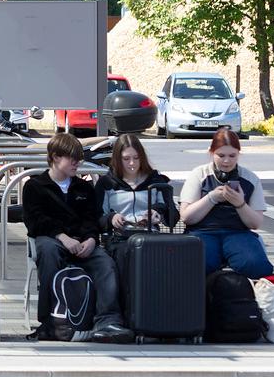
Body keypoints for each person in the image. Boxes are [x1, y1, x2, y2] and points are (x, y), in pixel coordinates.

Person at [21, 132, 132, 342]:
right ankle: (50, 320)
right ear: (55, 157)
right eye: (72, 158)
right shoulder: (34, 186)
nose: (77, 163)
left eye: (79, 158)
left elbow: (91, 218)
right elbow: (36, 221)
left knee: (105, 263)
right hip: (51, 239)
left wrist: (91, 239)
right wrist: (63, 237)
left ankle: (108, 320)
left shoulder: (84, 187)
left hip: (82, 241)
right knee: (49, 252)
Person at [178, 127, 274, 278]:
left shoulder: (250, 178)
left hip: (238, 232)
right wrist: (212, 198)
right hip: (203, 232)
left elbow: (255, 223)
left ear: (238, 154)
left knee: (256, 265)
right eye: (221, 155)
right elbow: (186, 217)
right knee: (199, 264)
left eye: (232, 156)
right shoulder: (199, 174)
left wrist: (240, 204)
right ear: (211, 153)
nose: (226, 161)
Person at [94, 133, 178, 279]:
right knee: (126, 256)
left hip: (150, 236)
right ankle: (129, 299)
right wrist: (111, 218)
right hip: (120, 238)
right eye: (126, 159)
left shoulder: (156, 180)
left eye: (136, 158)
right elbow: (97, 217)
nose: (132, 163)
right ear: (117, 160)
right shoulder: (107, 183)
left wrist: (157, 212)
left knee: (158, 257)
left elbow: (173, 218)